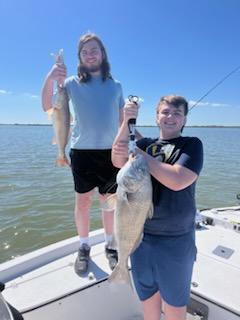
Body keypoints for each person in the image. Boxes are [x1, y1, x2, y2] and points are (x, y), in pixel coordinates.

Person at [112, 95, 204, 320]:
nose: (170, 117)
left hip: (175, 242)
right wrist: (127, 120)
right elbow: (117, 156)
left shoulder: (191, 144)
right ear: (156, 117)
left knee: (174, 307)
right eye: (165, 112)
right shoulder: (145, 145)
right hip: (141, 239)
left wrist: (141, 157)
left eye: (177, 113)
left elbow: (178, 179)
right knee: (149, 302)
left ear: (184, 120)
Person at [41, 33, 125, 275]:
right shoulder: (69, 83)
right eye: (84, 51)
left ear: (102, 53)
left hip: (111, 154)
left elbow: (122, 120)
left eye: (94, 50)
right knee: (83, 202)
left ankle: (110, 246)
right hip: (81, 152)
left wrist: (131, 145)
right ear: (80, 57)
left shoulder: (115, 85)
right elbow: (48, 105)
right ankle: (84, 246)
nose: (90, 54)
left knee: (108, 204)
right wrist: (50, 76)